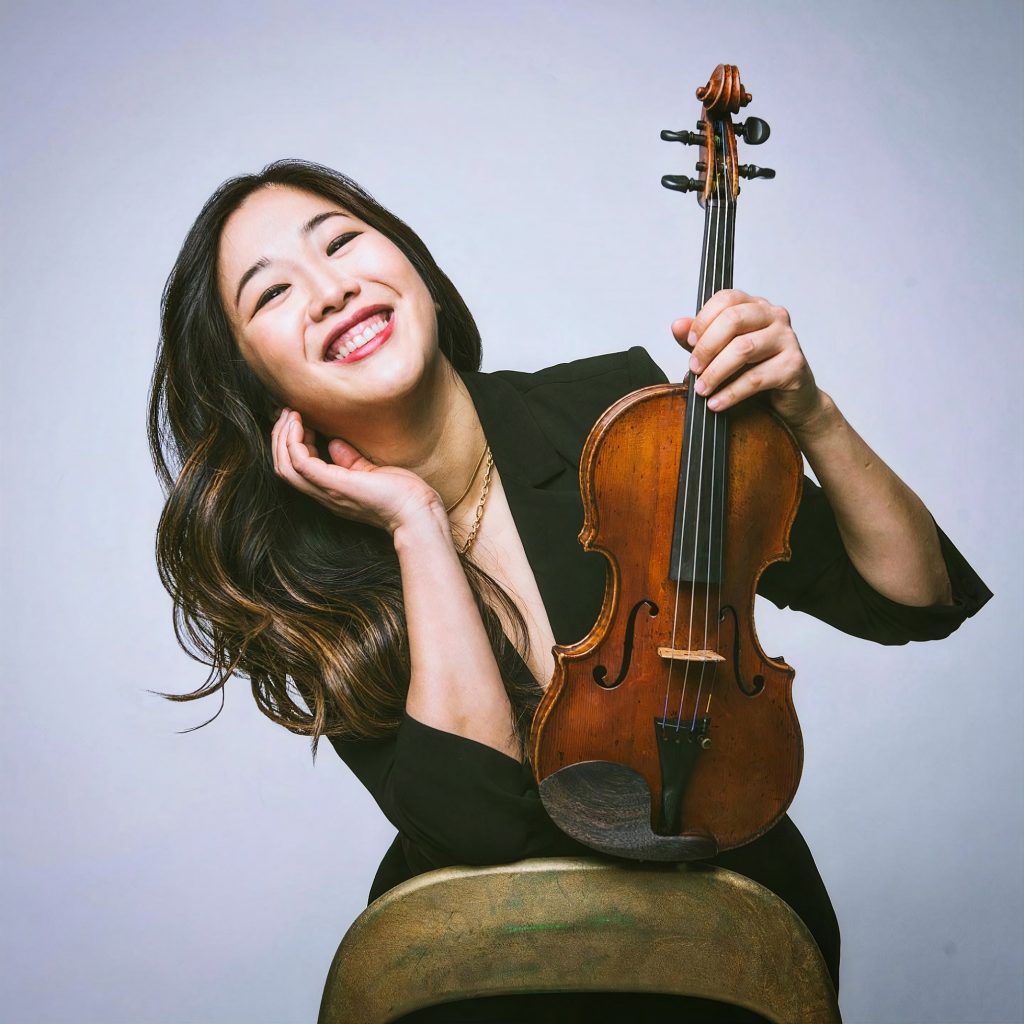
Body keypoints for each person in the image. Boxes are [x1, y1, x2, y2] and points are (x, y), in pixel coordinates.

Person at [148, 159, 992, 1023]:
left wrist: (812, 413)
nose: (330, 289)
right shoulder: (293, 577)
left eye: (342, 242)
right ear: (252, 381)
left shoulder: (621, 419)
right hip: (482, 975)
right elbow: (477, 822)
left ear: (414, 267)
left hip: (723, 945)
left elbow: (909, 597)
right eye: (272, 294)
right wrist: (415, 524)